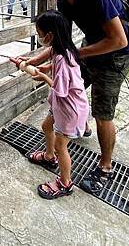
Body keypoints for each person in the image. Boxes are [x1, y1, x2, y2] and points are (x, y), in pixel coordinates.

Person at [15, 0, 129, 195]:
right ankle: (79, 126)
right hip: (89, 51)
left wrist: (76, 56)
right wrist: (33, 59)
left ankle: (105, 166)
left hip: (114, 55)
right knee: (74, 91)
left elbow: (119, 40)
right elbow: (61, 42)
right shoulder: (62, 1)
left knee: (103, 111)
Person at [18, 10, 89, 199]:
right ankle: (49, 158)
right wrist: (44, 66)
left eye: (39, 34)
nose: (39, 37)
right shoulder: (63, 49)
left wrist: (42, 76)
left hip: (70, 109)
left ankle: (65, 183)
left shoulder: (62, 59)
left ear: (49, 36)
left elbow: (60, 89)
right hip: (61, 106)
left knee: (61, 146)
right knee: (46, 126)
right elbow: (51, 57)